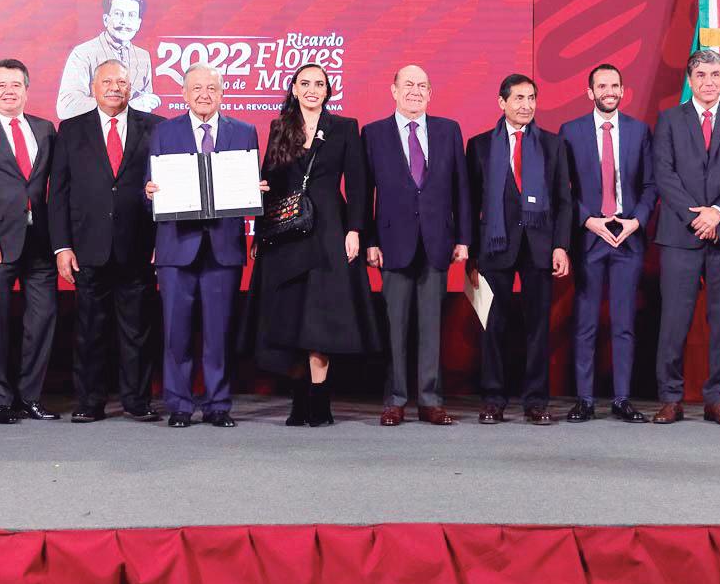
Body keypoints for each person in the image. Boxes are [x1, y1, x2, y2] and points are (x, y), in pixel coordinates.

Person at [245, 64, 379, 427]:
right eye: (305, 83)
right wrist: (260, 231)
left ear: (328, 90)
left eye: (319, 84)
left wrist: (355, 230)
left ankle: (320, 401)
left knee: (321, 317)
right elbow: (269, 181)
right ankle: (298, 400)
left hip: (330, 229)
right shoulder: (279, 127)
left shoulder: (344, 127)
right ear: (293, 88)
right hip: (286, 233)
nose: (312, 89)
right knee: (291, 315)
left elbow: (358, 184)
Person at [145, 64, 260, 427]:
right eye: (196, 88)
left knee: (218, 332)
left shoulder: (245, 132)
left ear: (222, 93)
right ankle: (179, 405)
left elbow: (250, 185)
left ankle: (218, 404)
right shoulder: (164, 131)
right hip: (176, 247)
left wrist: (255, 190)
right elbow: (151, 188)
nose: (204, 95)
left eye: (211, 88)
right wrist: (150, 193)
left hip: (223, 248)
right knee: (175, 332)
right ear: (183, 94)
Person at [49, 60, 164, 423]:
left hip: (139, 246)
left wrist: (162, 242)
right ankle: (89, 401)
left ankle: (137, 400)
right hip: (88, 247)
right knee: (89, 330)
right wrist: (62, 246)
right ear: (93, 87)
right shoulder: (70, 130)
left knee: (137, 331)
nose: (115, 87)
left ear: (131, 87)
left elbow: (167, 187)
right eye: (107, 81)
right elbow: (58, 193)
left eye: (122, 82)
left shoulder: (155, 127)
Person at [650, 50, 720, 426]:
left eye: (715, 75)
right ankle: (670, 398)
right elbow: (663, 173)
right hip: (680, 234)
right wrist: (696, 216)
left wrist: (718, 213)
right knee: (673, 320)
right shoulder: (669, 120)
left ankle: (717, 398)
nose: (709, 82)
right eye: (701, 75)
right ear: (690, 80)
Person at [361, 64, 470, 427]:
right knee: (395, 327)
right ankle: (395, 400)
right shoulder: (373, 133)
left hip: (437, 242)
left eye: (422, 86)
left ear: (430, 93)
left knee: (431, 326)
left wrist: (463, 238)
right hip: (392, 243)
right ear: (393, 90)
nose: (415, 91)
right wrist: (370, 240)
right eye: (408, 84)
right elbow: (365, 193)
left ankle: (430, 400)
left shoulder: (448, 130)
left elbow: (462, 189)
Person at [465, 74, 572, 425]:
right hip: (495, 245)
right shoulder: (479, 146)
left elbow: (564, 201)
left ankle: (536, 401)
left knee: (538, 327)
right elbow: (470, 203)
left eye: (531, 98)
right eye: (519, 98)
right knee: (493, 325)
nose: (526, 105)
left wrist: (561, 246)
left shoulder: (553, 145)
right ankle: (493, 399)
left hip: (540, 246)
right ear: (502, 103)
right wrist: (471, 252)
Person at [559, 63, 657, 423]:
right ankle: (584, 399)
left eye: (615, 85)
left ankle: (621, 399)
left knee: (624, 323)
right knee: (585, 322)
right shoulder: (570, 132)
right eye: (602, 86)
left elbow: (650, 185)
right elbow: (563, 188)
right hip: (589, 236)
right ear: (590, 92)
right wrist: (587, 219)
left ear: (623, 90)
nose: (609, 92)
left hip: (627, 236)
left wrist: (636, 221)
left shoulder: (639, 130)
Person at [0, 60, 60, 425]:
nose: (9, 91)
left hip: (40, 241)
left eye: (16, 84)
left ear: (26, 90)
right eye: (2, 85)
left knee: (42, 319)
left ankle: (30, 396)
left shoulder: (45, 129)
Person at [55, 0, 160, 120]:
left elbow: (144, 109)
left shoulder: (142, 56)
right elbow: (66, 107)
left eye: (131, 15)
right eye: (118, 14)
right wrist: (126, 106)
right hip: (93, 131)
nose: (125, 22)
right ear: (105, 19)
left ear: (138, 23)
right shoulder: (83, 53)